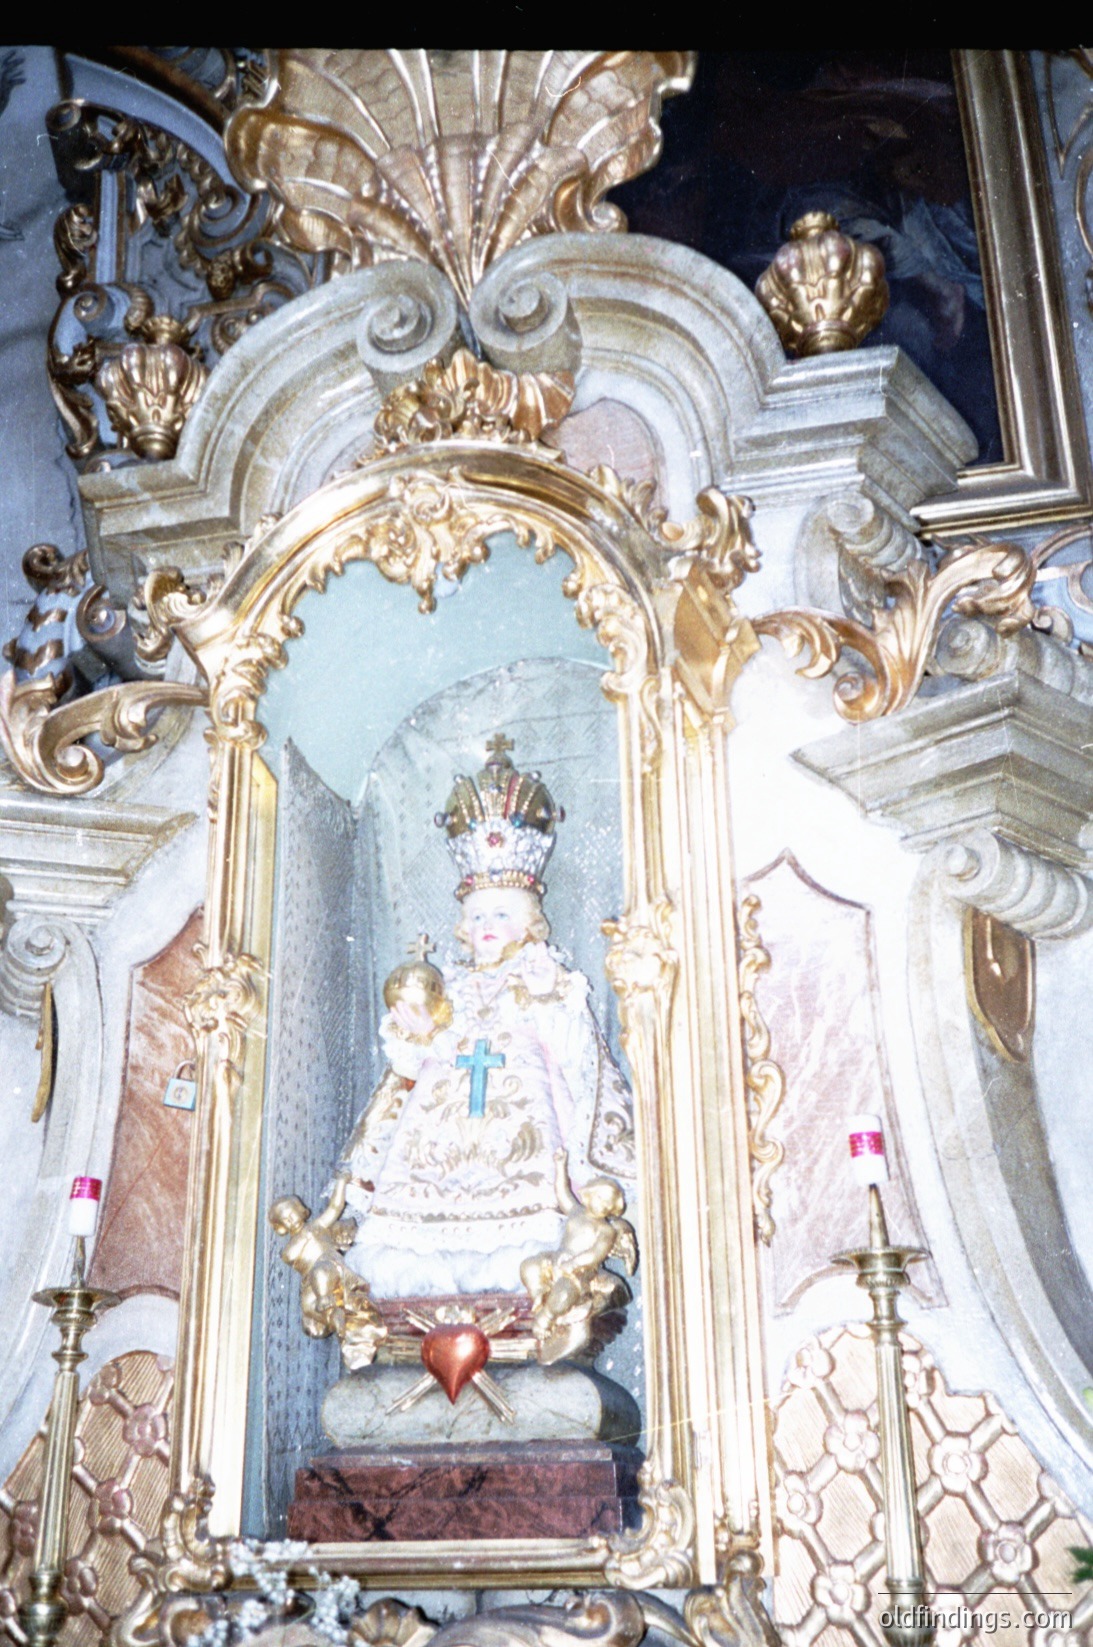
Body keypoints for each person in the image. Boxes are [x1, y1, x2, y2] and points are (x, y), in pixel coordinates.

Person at [339, 735, 634, 1298]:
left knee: (531, 1217)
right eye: (476, 917)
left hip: (521, 1121)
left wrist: (548, 1005)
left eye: (501, 914)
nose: (487, 926)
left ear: (530, 923)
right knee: (411, 1222)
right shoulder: (450, 983)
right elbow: (410, 1062)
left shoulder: (549, 977)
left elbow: (576, 1056)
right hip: (440, 1129)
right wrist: (419, 1031)